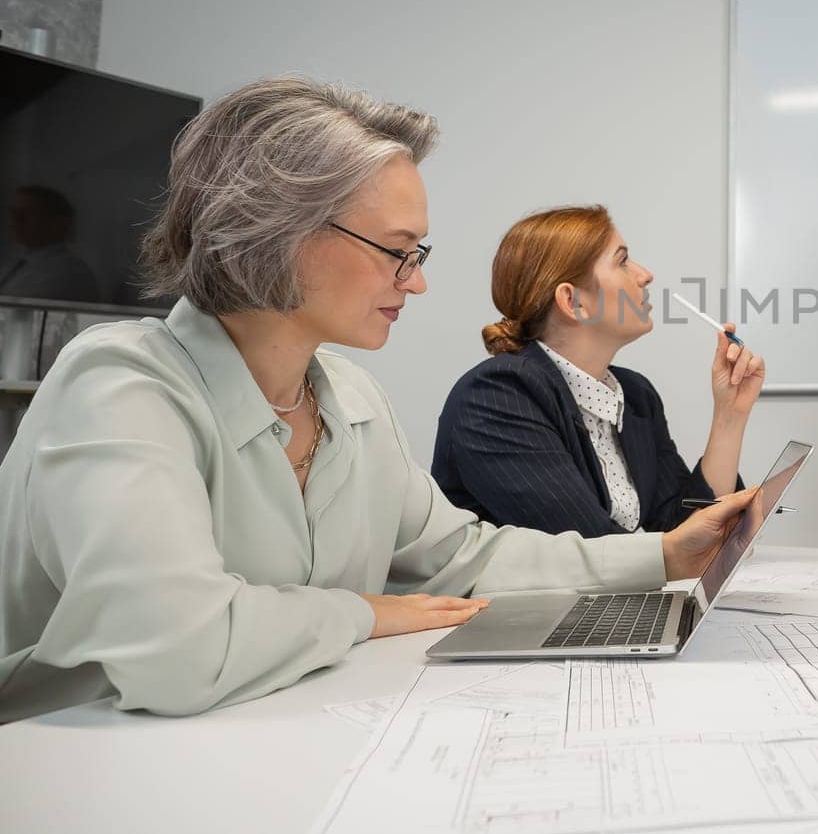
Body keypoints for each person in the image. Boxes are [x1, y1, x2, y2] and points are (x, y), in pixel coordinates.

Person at [0, 78, 754, 722]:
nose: (416, 281)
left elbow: (464, 557)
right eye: (398, 251)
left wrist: (660, 553)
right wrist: (366, 611)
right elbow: (175, 650)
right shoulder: (118, 385)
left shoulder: (351, 397)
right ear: (278, 231)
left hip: (272, 735)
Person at [433, 205, 765, 537]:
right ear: (573, 301)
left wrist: (729, 414)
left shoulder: (636, 396)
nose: (645, 274)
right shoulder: (499, 395)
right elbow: (591, 550)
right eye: (622, 261)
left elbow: (681, 530)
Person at [0, 185, 99, 303]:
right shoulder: (15, 264)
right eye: (14, 212)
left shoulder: (67, 272)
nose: (15, 220)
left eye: (28, 213)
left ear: (57, 222)